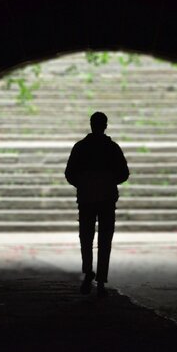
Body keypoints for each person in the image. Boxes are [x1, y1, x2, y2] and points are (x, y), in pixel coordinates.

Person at [64, 111, 130, 297]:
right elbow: (124, 173)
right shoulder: (112, 148)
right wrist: (108, 182)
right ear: (105, 125)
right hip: (107, 198)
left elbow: (69, 173)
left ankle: (87, 272)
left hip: (86, 198)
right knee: (104, 240)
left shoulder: (80, 147)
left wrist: (84, 184)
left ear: (91, 125)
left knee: (86, 237)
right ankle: (101, 280)